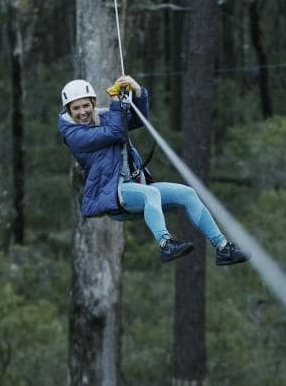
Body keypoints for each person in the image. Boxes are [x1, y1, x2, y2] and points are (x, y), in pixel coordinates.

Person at [58, 75, 249, 265]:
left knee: (187, 194)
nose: (82, 112)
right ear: (68, 110)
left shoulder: (104, 117)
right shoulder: (74, 135)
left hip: (132, 187)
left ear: (93, 103)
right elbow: (116, 132)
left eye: (86, 106)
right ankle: (165, 244)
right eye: (76, 108)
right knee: (151, 193)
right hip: (113, 195)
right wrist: (117, 104)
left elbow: (138, 121)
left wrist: (138, 91)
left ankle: (223, 248)